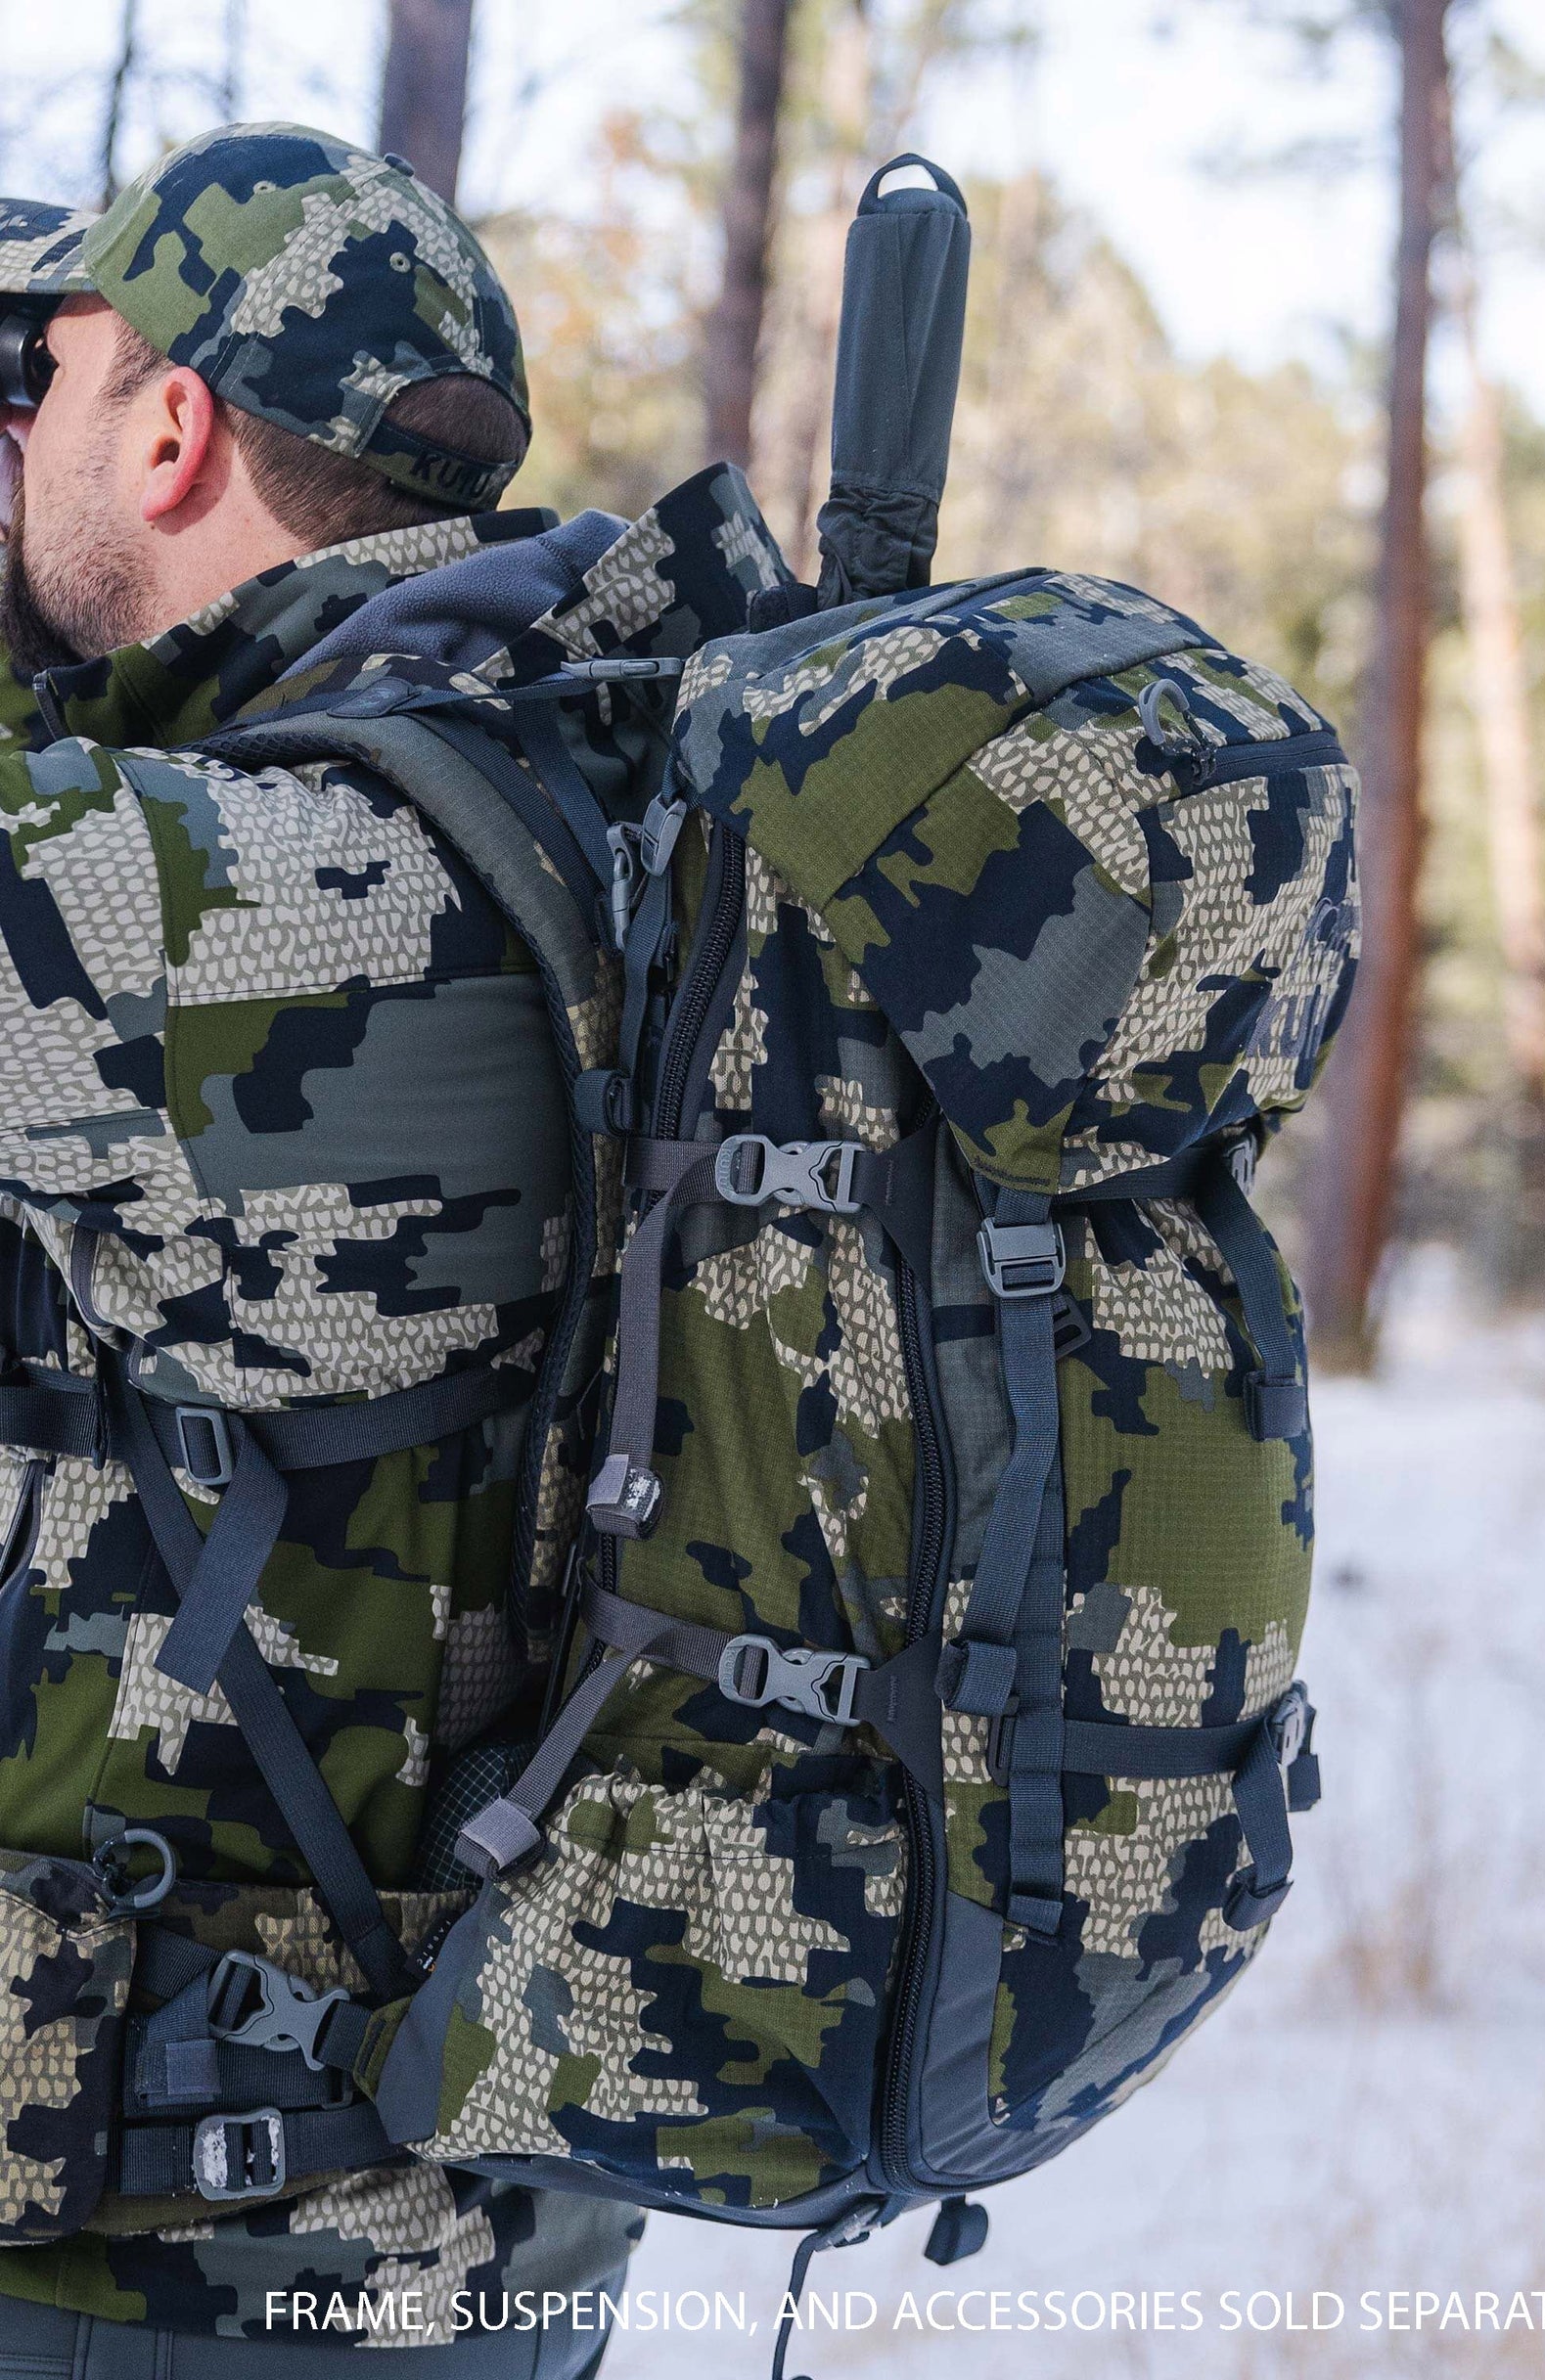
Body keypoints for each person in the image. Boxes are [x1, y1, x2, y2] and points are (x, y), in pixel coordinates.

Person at [0, 121, 710, 2372]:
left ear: (172, 430)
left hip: (156, 2258)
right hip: (483, 2220)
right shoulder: (611, 816)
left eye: (46, 383)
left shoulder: (205, 898)